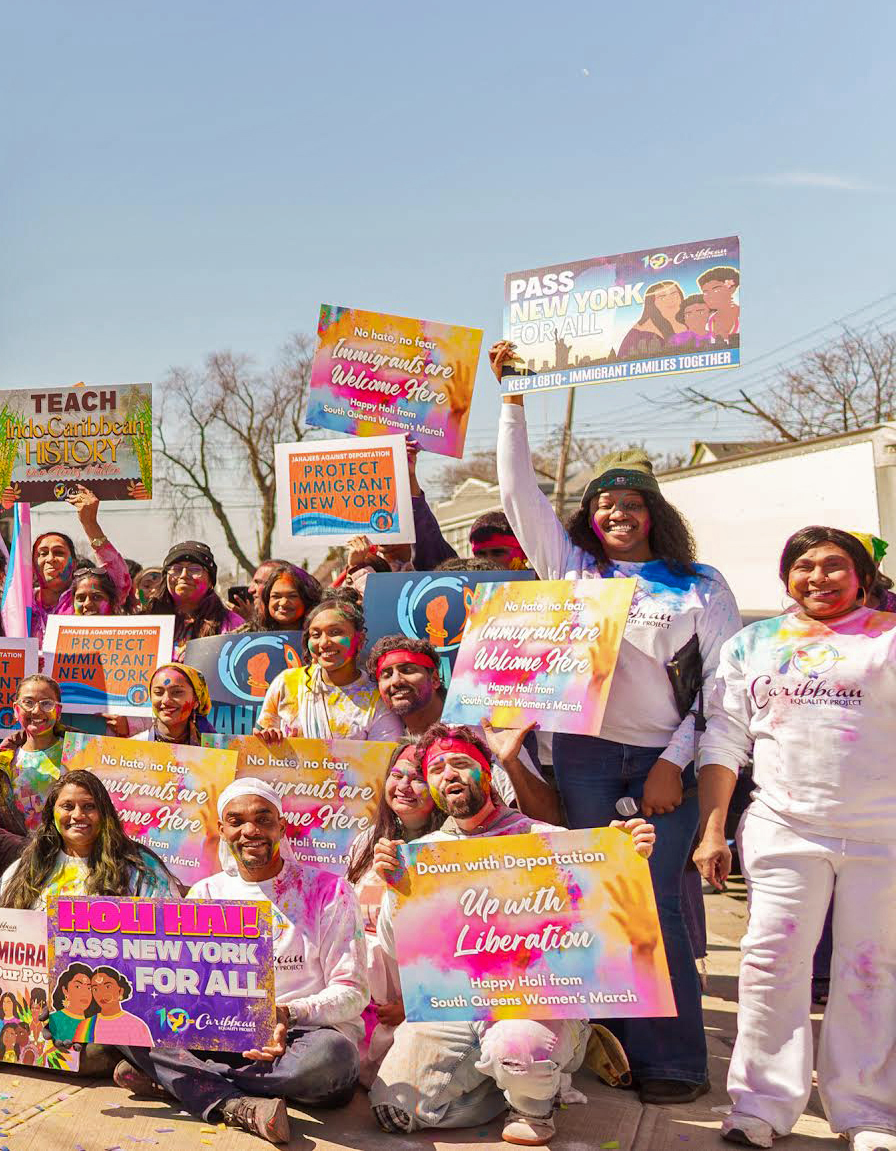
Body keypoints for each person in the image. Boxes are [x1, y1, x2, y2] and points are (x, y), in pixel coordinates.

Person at [490, 340, 738, 1103]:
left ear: (653, 514)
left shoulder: (699, 585)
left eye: (630, 504)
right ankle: (607, 1048)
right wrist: (513, 402)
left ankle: (673, 1062)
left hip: (665, 761)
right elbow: (517, 496)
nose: (616, 514)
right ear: (589, 519)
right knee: (595, 905)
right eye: (603, 505)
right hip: (587, 759)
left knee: (656, 905)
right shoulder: (570, 570)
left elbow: (719, 690)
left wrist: (676, 760)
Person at [695, 527, 896, 1151]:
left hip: (882, 836)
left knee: (869, 968)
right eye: (804, 566)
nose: (819, 578)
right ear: (786, 578)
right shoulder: (753, 644)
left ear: (862, 574)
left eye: (835, 566)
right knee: (768, 965)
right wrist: (711, 831)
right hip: (783, 829)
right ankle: (760, 1104)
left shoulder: (888, 639)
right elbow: (724, 739)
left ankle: (867, 1112)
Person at [368, 724, 658, 1146]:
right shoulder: (424, 853)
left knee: (519, 1048)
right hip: (455, 1009)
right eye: (436, 769)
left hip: (532, 1007)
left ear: (488, 773)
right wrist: (397, 891)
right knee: (393, 1112)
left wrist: (628, 860)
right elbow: (399, 952)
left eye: (462, 763)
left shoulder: (546, 840)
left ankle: (534, 1104)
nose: (448, 774)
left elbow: (615, 931)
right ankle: (513, 1082)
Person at [115, 779, 367, 1145]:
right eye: (236, 821)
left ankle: (183, 1080)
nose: (250, 830)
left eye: (263, 819)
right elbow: (190, 986)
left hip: (301, 1041)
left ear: (281, 826)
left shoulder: (329, 892)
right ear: (223, 831)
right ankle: (230, 1100)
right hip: (226, 1037)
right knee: (125, 1012)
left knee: (334, 1058)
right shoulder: (206, 894)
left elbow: (353, 991)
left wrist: (284, 1015)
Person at [368, 636, 560, 824]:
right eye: (386, 674)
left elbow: (547, 818)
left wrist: (510, 762)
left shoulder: (480, 730)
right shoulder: (391, 739)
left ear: (435, 679)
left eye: (407, 670)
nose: (396, 681)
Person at [348, 743, 434, 1085]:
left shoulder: (451, 852)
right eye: (396, 775)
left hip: (409, 1004)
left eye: (418, 778)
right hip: (361, 996)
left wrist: (415, 1004)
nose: (403, 786)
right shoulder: (366, 841)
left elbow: (452, 947)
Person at [0, 769, 179, 912]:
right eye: (67, 806)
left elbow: (169, 930)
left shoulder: (140, 867)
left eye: (89, 806)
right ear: (52, 814)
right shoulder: (27, 867)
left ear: (104, 813)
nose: (78, 815)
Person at [0, 486, 133, 638]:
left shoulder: (86, 599)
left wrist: (90, 524)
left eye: (59, 552)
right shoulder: (18, 601)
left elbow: (120, 581)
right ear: (33, 566)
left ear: (74, 564)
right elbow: (2, 563)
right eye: (42, 553)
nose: (50, 559)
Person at [255, 599, 397, 741]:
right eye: (316, 635)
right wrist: (271, 740)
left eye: (335, 632)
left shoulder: (378, 699)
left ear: (359, 641)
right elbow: (259, 750)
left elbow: (383, 759)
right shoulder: (287, 683)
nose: (324, 643)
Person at [0, 675, 67, 879]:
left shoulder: (83, 753)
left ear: (58, 711)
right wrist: (28, 852)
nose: (37, 710)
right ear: (16, 710)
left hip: (74, 869)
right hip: (21, 873)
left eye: (47, 703)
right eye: (28, 702)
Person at [146, 542, 246, 642]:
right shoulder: (146, 621)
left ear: (210, 581)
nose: (184, 575)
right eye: (176, 569)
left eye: (194, 569)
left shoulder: (232, 624)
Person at [142, 661, 214, 745]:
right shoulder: (133, 746)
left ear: (196, 700)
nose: (166, 700)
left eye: (177, 692)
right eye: (158, 692)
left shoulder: (216, 750)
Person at [247, 561, 323, 633]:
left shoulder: (320, 636)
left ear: (307, 599)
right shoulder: (248, 635)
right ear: (267, 600)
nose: (283, 603)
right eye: (276, 596)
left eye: (292, 596)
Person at [616, 280, 684, 357]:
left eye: (674, 294)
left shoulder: (689, 321)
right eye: (662, 297)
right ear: (652, 303)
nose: (671, 300)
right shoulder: (640, 334)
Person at [698, 264, 740, 342]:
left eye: (716, 290)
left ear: (732, 289)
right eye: (705, 292)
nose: (710, 296)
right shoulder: (708, 322)